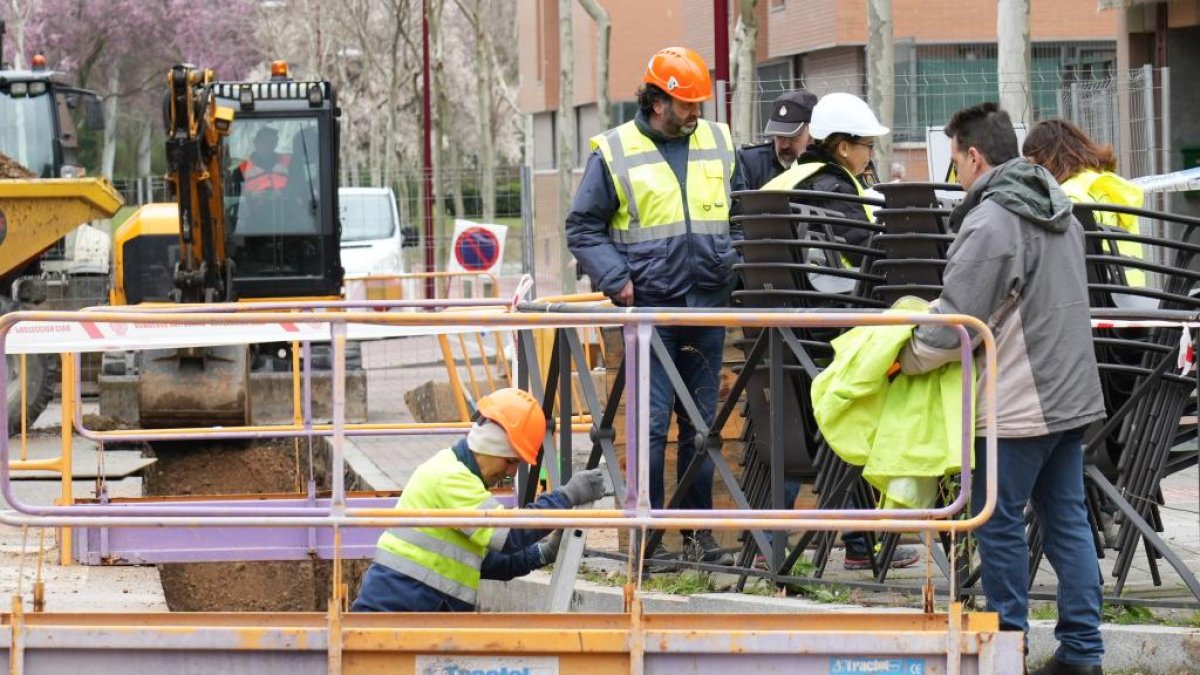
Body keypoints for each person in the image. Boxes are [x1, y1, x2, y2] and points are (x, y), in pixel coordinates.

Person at [899, 102, 1106, 675]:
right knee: (1068, 523)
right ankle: (1083, 652)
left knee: (999, 522)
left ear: (973, 155)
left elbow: (953, 323)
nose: (955, 175)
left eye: (955, 161)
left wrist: (901, 358)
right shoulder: (1056, 204)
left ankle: (1008, 647)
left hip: (1018, 401)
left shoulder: (992, 220)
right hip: (1069, 396)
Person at [566, 46, 738, 567]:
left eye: (698, 104)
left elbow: (744, 209)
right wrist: (617, 279)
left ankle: (697, 535)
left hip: (707, 302)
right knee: (653, 425)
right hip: (650, 312)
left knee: (702, 426)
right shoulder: (615, 151)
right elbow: (582, 226)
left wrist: (738, 259)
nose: (695, 113)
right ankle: (648, 538)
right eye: (686, 104)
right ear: (657, 101)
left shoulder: (716, 140)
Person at [351, 388, 608, 612]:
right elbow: (508, 536)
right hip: (397, 614)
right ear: (491, 447)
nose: (511, 473)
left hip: (407, 612)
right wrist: (566, 496)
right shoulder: (450, 477)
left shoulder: (458, 476)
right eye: (511, 461)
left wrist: (543, 553)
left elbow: (488, 561)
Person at [1022, 118, 1147, 288]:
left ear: (1046, 159)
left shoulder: (1066, 197)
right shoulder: (1106, 185)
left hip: (1097, 300)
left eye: (1030, 164)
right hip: (1134, 296)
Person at [761, 92, 889, 248]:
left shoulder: (795, 176)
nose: (872, 154)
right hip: (830, 273)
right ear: (844, 148)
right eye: (869, 145)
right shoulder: (835, 189)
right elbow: (867, 252)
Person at [733, 89, 818, 192]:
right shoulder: (749, 163)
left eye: (793, 137)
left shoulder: (827, 164)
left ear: (811, 132)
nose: (785, 145)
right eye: (779, 136)